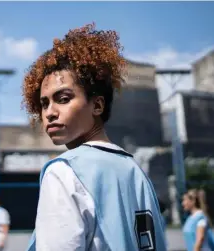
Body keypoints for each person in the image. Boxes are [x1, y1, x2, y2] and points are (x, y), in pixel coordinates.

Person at [21, 23, 167, 251]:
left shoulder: (64, 171)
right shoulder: (136, 172)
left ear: (97, 105)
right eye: (44, 103)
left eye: (64, 98)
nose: (49, 112)